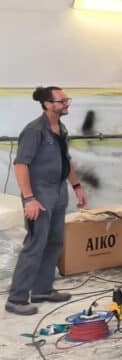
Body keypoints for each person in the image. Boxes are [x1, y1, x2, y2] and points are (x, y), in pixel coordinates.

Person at [5, 87, 88, 316]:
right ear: (46, 104)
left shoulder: (60, 128)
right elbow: (21, 165)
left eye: (66, 100)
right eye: (61, 101)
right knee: (35, 244)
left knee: (55, 241)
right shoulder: (34, 131)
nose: (66, 104)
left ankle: (42, 290)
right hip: (39, 195)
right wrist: (29, 198)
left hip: (59, 191)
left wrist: (77, 186)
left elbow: (66, 159)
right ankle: (17, 298)